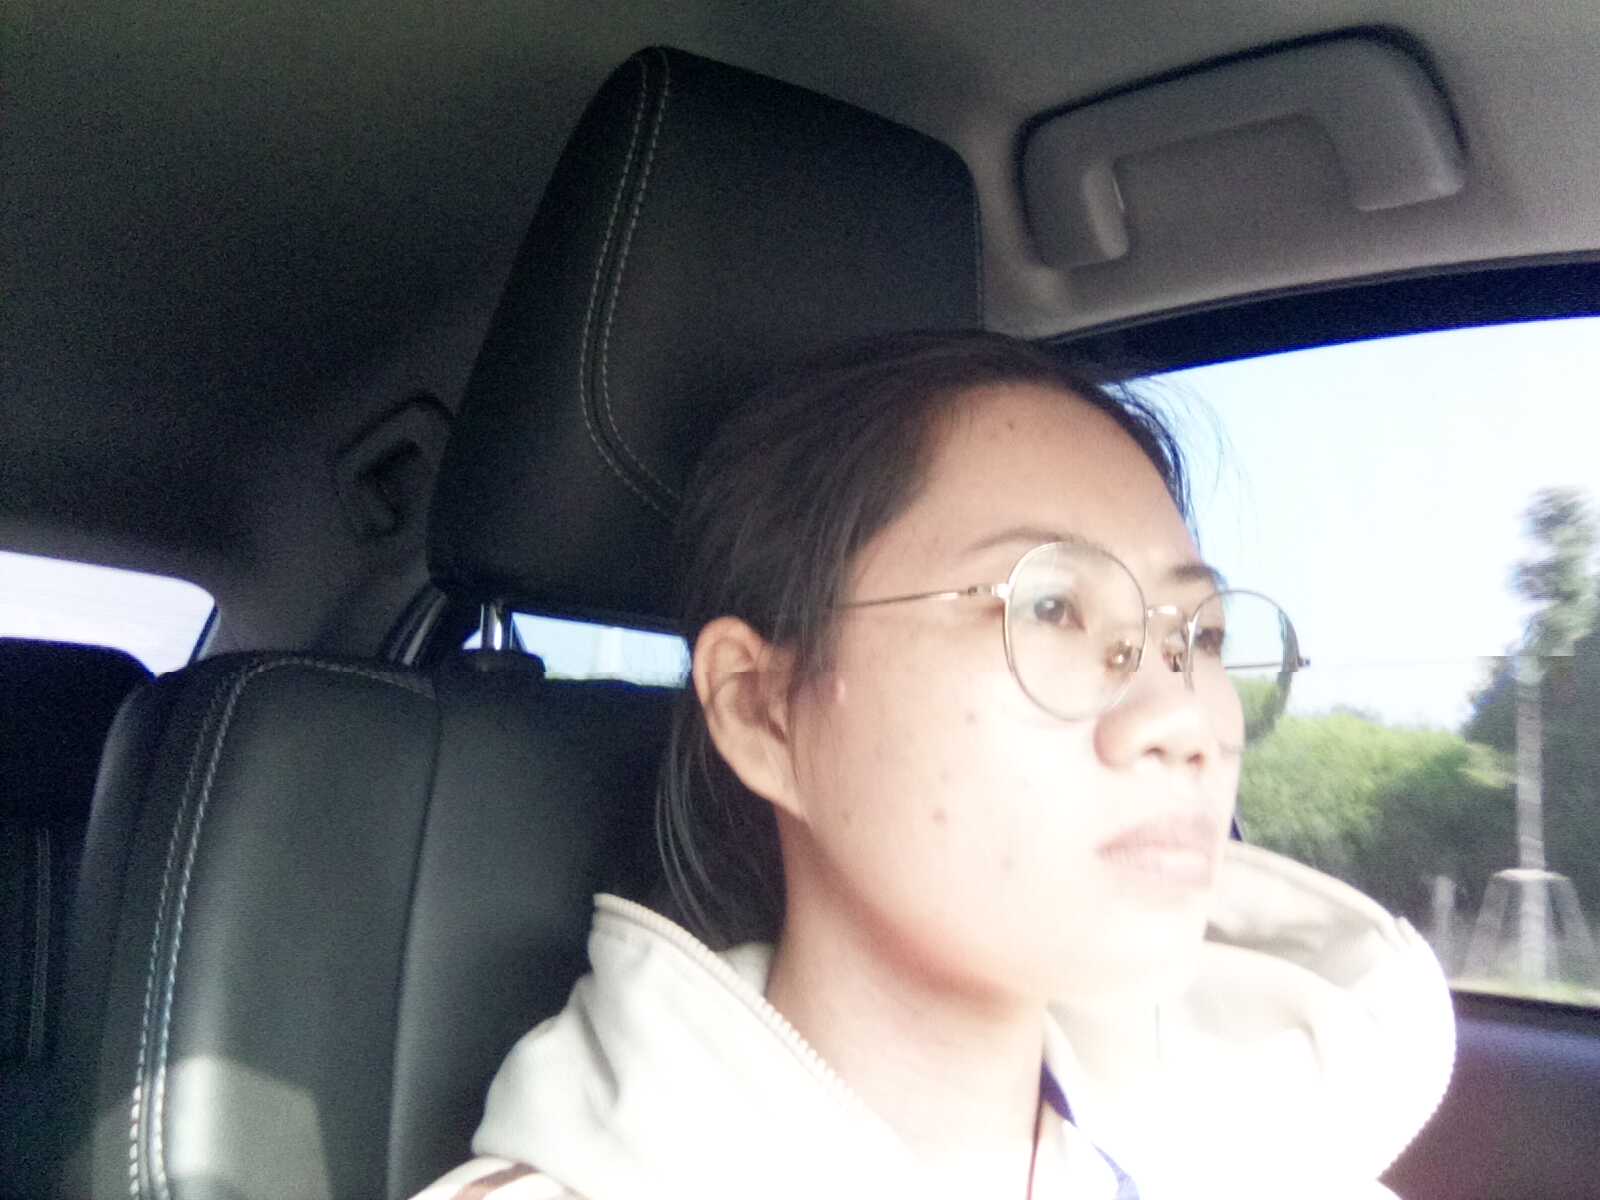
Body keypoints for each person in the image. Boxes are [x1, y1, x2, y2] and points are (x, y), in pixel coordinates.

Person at [414, 332, 1455, 1200]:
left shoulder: (1276, 1157)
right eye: (1049, 607)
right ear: (764, 711)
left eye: (1203, 633)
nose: (1186, 715)